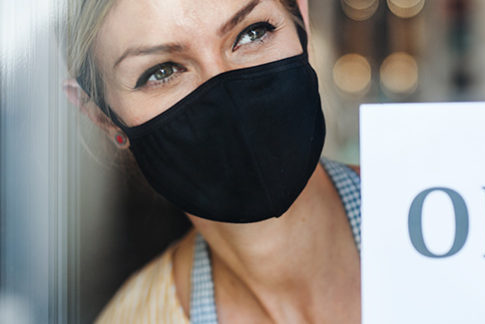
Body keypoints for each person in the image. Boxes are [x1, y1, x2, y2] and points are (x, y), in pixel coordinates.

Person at [62, 0, 362, 322]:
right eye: (162, 72)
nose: (227, 95)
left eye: (252, 32)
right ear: (102, 118)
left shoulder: (417, 191)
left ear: (301, 19)